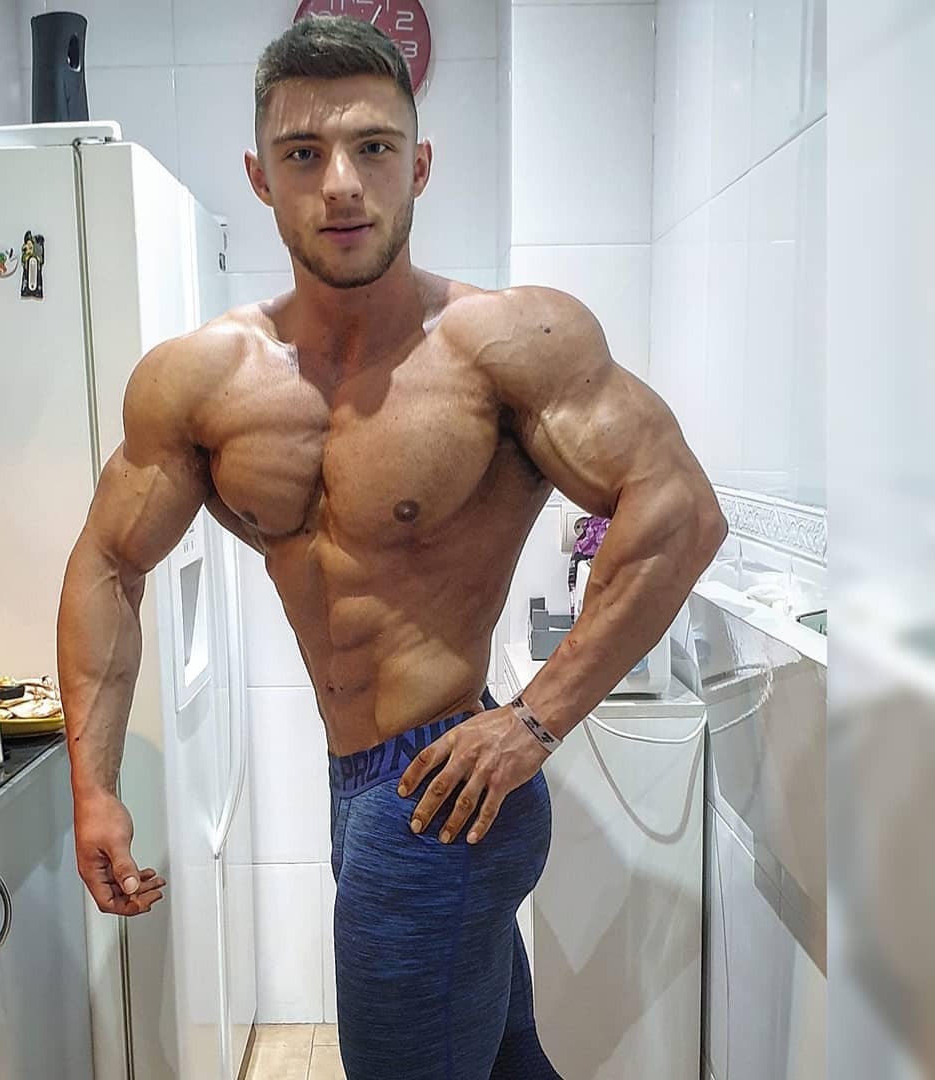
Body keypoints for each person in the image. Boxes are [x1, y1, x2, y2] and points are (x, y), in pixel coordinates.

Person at [56, 15, 727, 1079]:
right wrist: (93, 788)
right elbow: (109, 563)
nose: (340, 185)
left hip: (442, 786)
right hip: (360, 784)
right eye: (303, 153)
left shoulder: (507, 344)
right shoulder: (201, 380)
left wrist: (534, 721)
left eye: (372, 147)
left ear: (417, 165)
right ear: (259, 177)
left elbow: (680, 511)